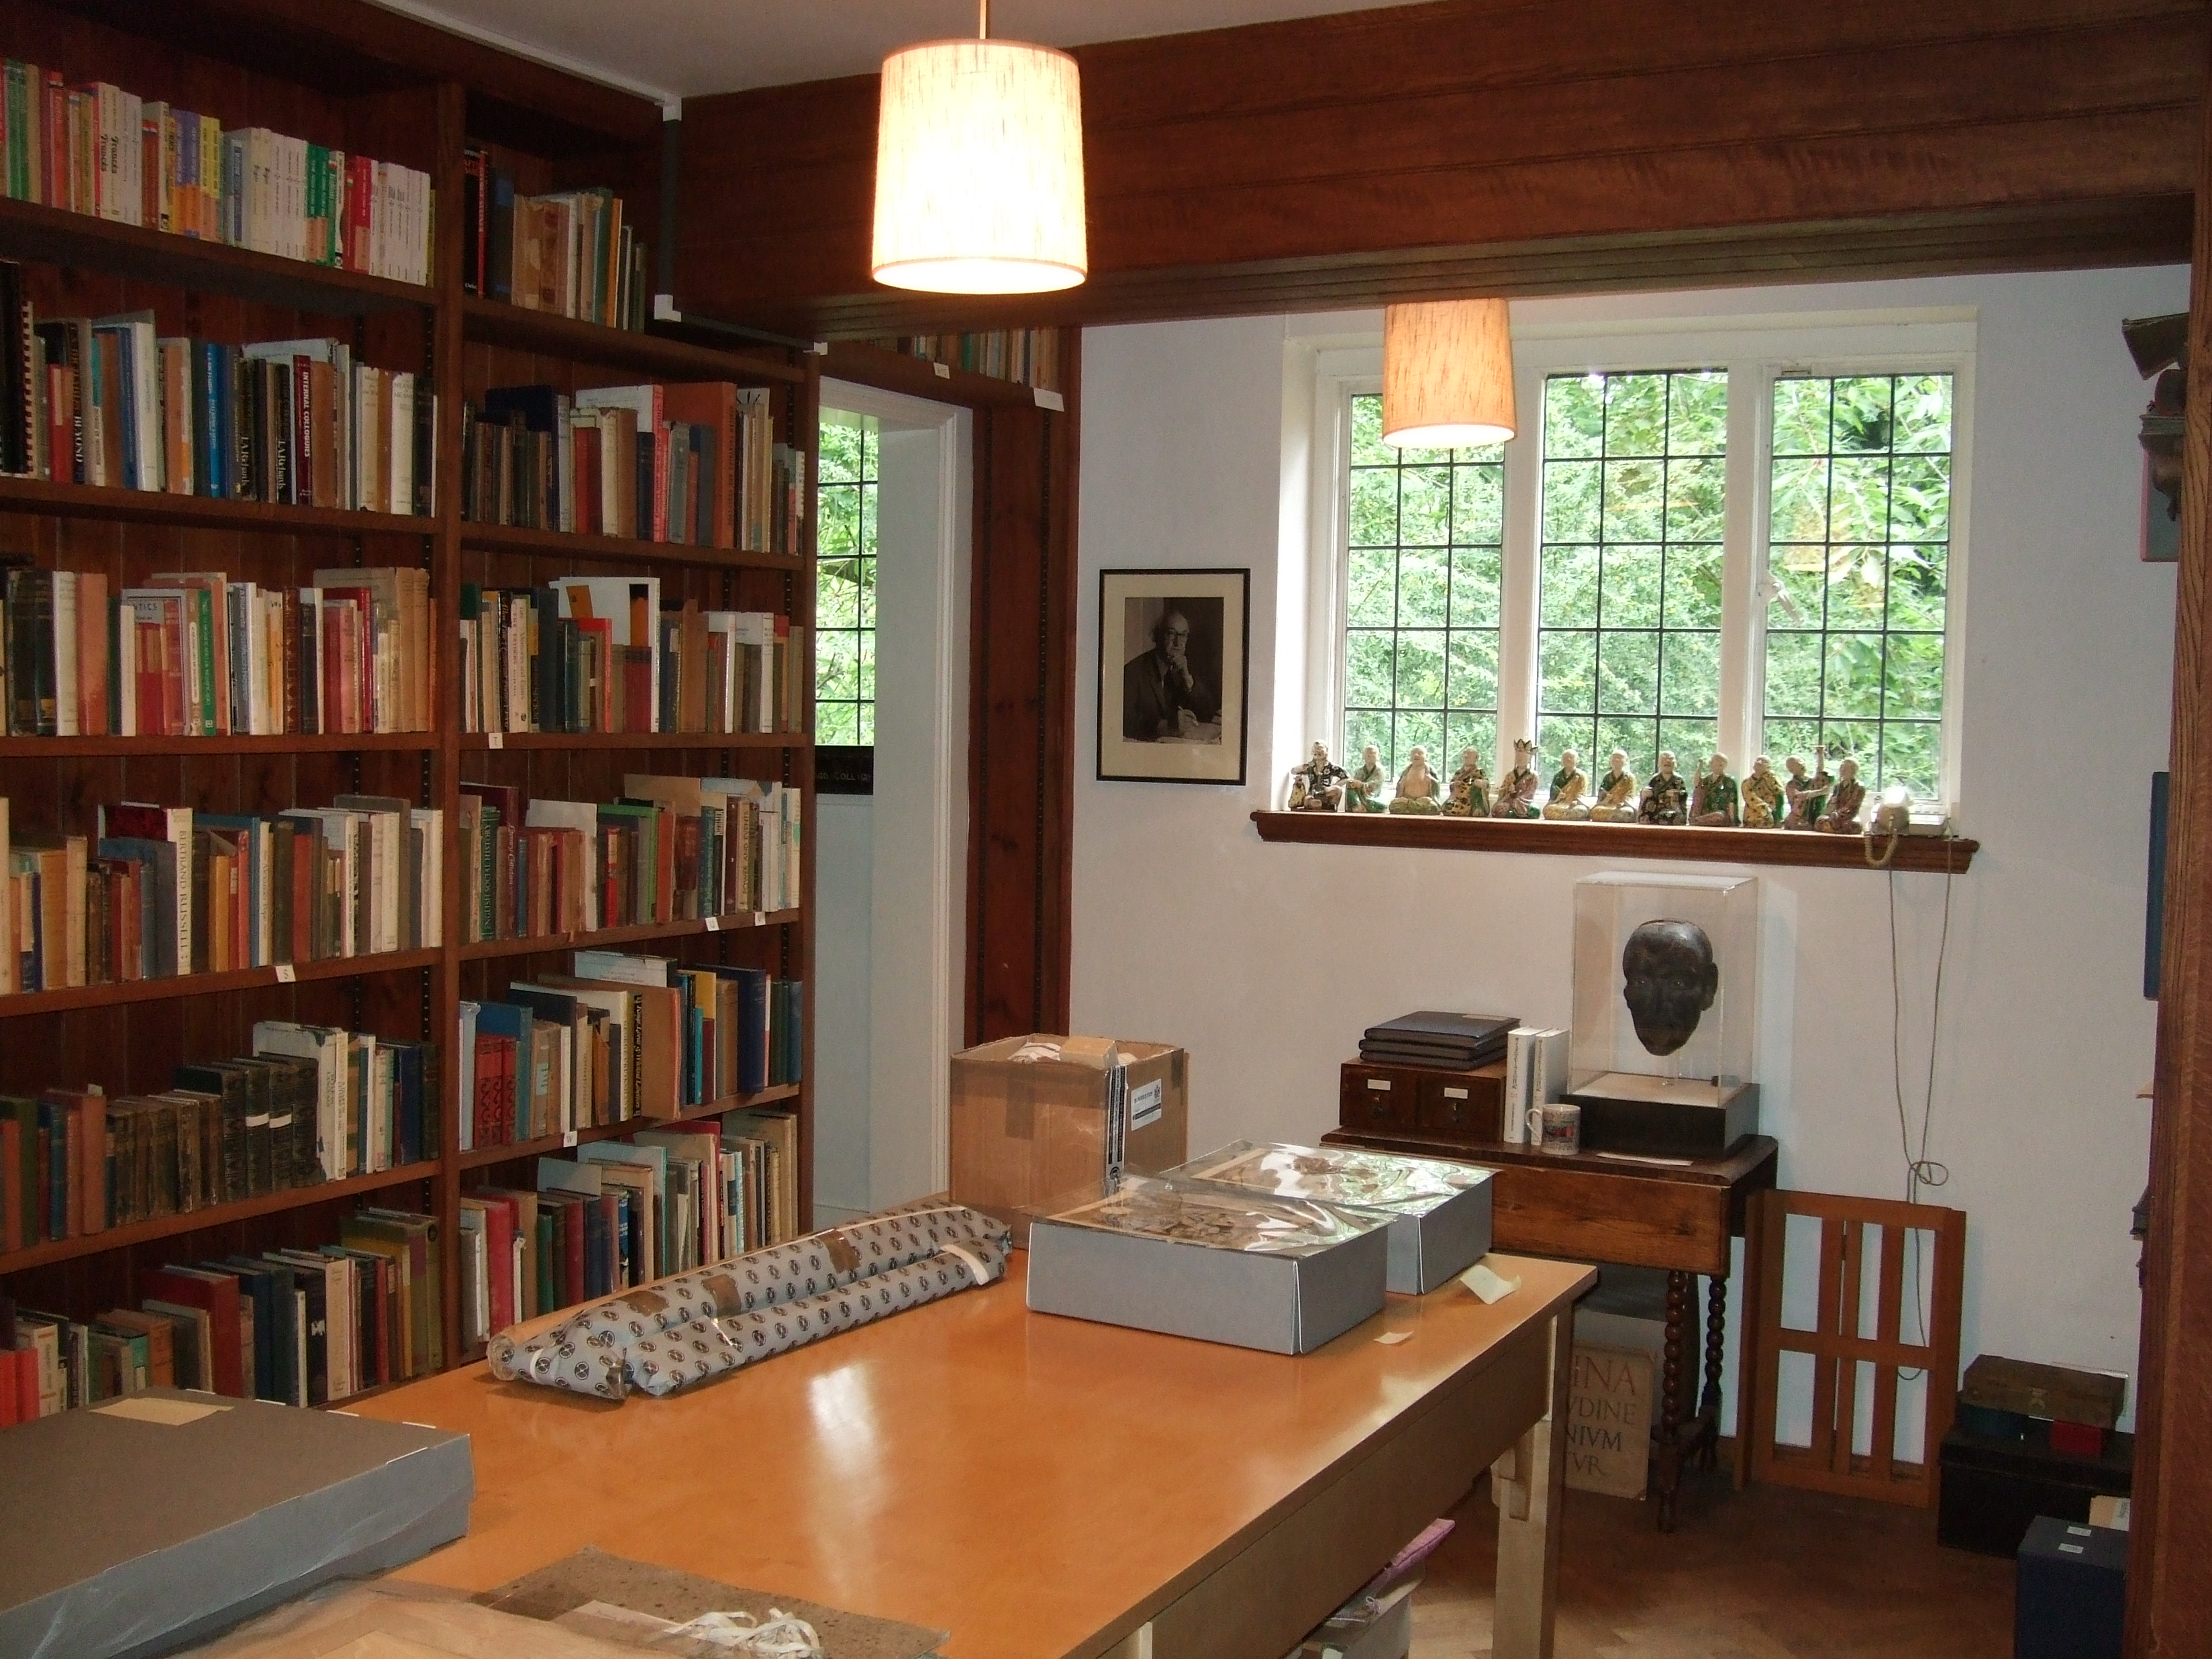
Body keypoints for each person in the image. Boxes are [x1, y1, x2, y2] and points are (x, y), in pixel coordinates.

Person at [1121, 609, 1219, 740]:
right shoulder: (1134, 671)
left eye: (1183, 635)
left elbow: (1208, 713)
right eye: (1171, 633)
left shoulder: (1187, 668)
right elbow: (1125, 720)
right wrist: (1163, 726)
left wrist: (1187, 678)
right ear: (1158, 636)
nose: (1178, 643)